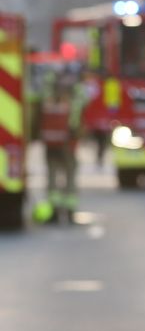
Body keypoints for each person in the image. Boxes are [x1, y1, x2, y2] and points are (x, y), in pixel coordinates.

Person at [39, 66, 84, 223]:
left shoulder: (47, 90)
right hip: (68, 141)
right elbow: (82, 107)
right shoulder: (75, 92)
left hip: (50, 139)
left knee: (52, 173)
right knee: (70, 173)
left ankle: (55, 210)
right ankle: (69, 210)